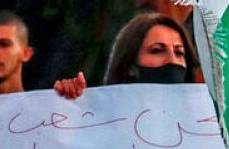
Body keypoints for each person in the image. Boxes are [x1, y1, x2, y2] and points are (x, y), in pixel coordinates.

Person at [52, 12, 200, 98]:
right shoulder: (102, 119)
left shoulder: (206, 123)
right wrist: (70, 103)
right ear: (130, 65)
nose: (172, 61)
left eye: (179, 52)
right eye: (157, 50)